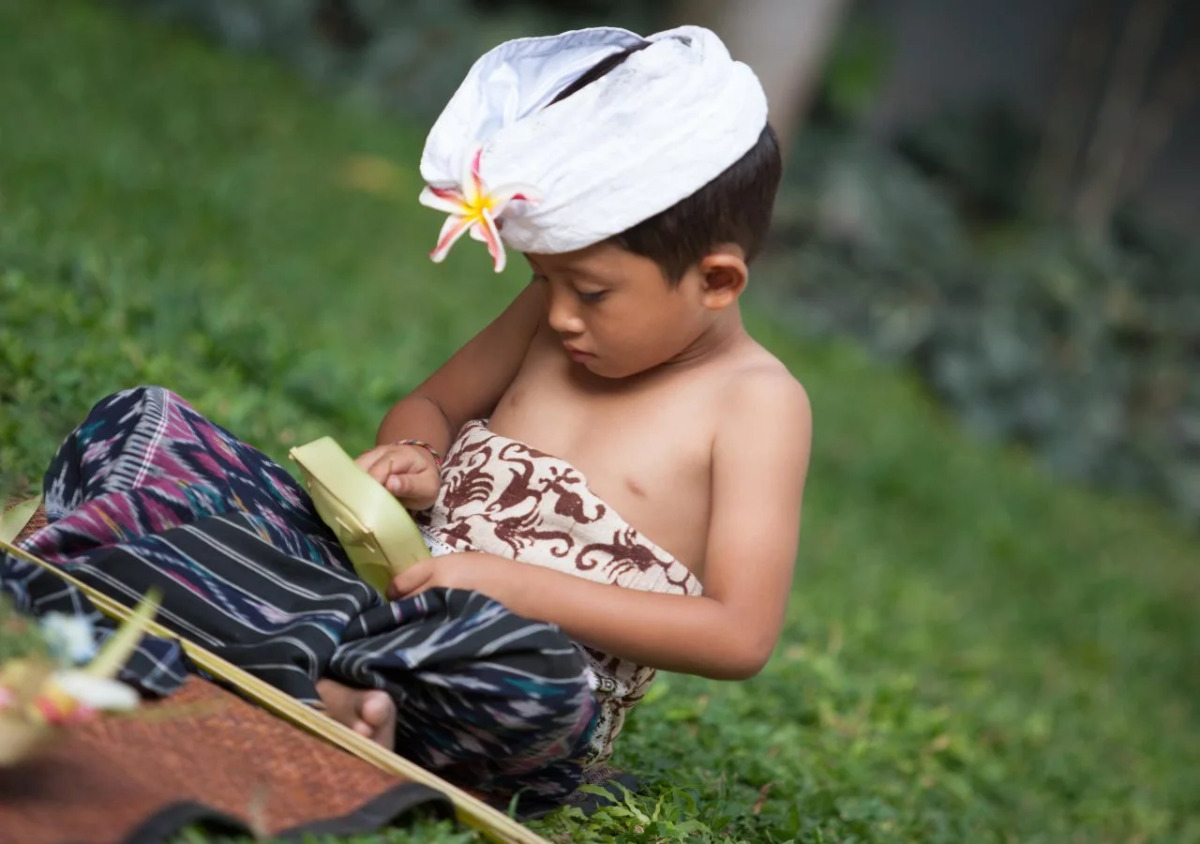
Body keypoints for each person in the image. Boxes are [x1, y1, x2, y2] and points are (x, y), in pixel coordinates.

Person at [2, 25, 810, 813]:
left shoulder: (756, 406)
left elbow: (737, 634)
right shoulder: (550, 314)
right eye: (543, 280)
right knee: (144, 426)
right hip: (368, 588)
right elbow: (433, 404)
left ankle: (189, 601)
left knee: (527, 684)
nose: (559, 313)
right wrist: (417, 450)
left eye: (590, 292)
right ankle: (320, 682)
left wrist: (514, 587)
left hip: (483, 660)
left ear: (716, 280)